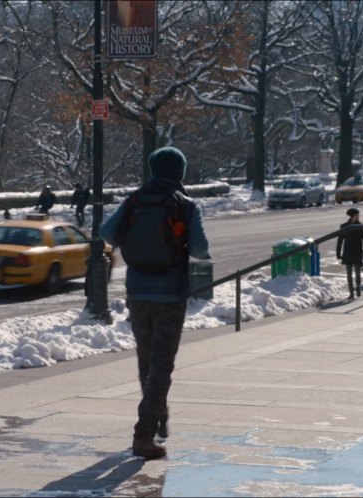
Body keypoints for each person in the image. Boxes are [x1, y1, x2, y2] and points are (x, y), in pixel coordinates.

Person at [100, 146, 210, 460]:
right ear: (181, 172)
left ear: (152, 169)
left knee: (146, 360)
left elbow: (106, 233)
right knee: (161, 366)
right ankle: (144, 435)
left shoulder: (135, 200)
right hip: (171, 293)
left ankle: (157, 415)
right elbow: (201, 250)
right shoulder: (185, 205)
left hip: (137, 291)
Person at [336, 208, 363, 300]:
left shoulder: (361, 226)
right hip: (348, 251)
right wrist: (338, 253)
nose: (358, 217)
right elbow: (340, 240)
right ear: (352, 216)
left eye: (358, 215)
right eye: (357, 215)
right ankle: (351, 293)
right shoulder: (344, 226)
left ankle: (358, 288)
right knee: (349, 273)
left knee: (357, 272)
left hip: (358, 251)